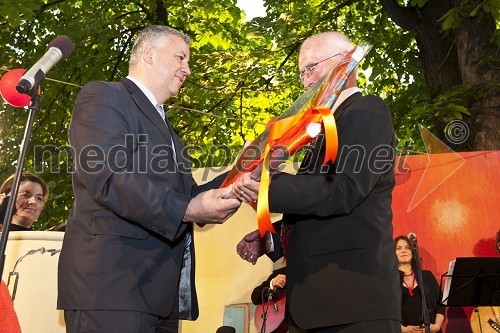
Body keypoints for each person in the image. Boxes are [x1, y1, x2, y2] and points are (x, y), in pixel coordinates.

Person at [57, 25, 242, 333]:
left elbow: (188, 196)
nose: (188, 69)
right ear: (148, 54)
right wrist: (187, 209)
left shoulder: (169, 132)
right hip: (112, 287)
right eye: (181, 57)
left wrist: (241, 171)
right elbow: (108, 176)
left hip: (159, 296)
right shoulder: (104, 96)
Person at [233, 31, 401, 332]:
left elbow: (344, 190)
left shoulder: (366, 111)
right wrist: (271, 237)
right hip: (317, 306)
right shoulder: (324, 129)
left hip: (352, 305)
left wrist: (269, 187)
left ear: (345, 64)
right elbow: (318, 208)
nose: (306, 81)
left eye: (311, 67)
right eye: (301, 73)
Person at [394, 235, 445, 333]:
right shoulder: (389, 281)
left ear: (413, 252)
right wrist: (401, 329)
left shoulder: (426, 276)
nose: (403, 250)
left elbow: (441, 304)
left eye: (407, 247)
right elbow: (384, 311)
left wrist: (437, 326)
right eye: (398, 248)